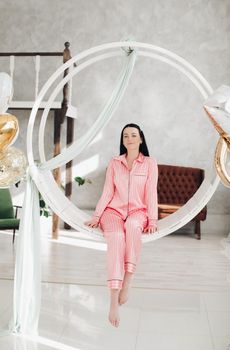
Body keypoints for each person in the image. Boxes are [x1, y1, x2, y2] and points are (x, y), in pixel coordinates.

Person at [84, 123, 158, 328]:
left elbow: (151, 192)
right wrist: (97, 215)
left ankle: (128, 282)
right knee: (116, 238)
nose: (130, 138)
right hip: (113, 211)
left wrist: (152, 219)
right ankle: (113, 299)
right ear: (122, 140)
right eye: (125, 135)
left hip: (138, 212)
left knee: (133, 228)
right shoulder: (115, 163)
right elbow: (107, 192)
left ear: (141, 139)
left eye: (134, 135)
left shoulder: (150, 163)